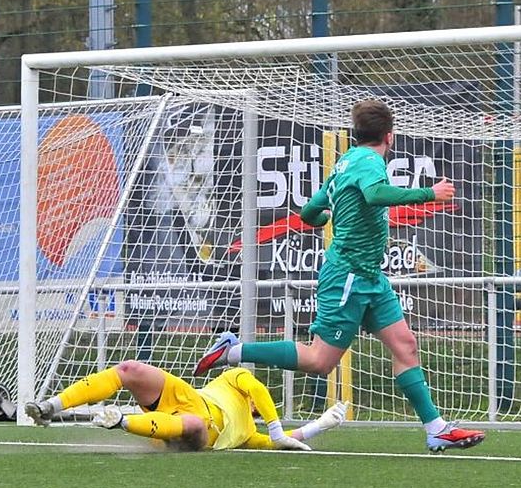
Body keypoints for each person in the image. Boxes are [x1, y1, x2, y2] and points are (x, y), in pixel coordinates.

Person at [194, 98, 485, 453]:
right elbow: (376, 194)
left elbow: (313, 209)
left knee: (405, 345)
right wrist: (430, 193)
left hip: (370, 277)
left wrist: (321, 218)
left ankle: (436, 429)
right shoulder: (367, 161)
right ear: (389, 137)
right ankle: (234, 350)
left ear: (356, 132)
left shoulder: (346, 161)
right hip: (347, 275)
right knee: (320, 361)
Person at [24, 361, 346, 452]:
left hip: (190, 430)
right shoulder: (235, 379)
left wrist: (321, 424)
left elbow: (283, 442)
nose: (260, 407)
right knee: (129, 370)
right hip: (187, 398)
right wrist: (276, 431)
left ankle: (120, 420)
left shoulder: (248, 435)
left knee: (194, 426)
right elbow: (257, 388)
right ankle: (52, 405)